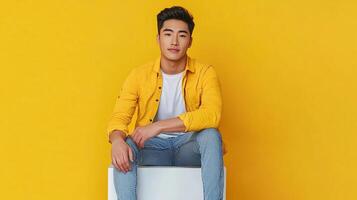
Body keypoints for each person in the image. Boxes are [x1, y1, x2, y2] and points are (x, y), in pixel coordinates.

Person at [107, 6, 226, 200]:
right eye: (168, 34)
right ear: (158, 39)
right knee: (126, 143)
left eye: (182, 35)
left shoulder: (205, 73)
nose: (174, 42)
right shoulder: (138, 75)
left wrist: (158, 126)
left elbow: (212, 115)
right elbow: (120, 117)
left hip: (188, 147)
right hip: (151, 148)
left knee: (212, 135)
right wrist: (116, 140)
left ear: (190, 42)